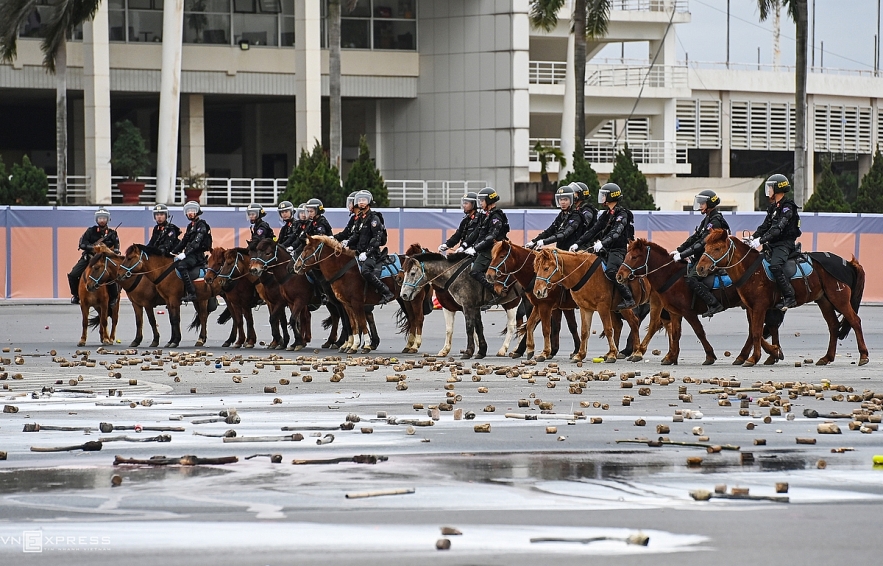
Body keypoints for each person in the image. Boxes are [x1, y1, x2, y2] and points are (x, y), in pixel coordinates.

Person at [575, 182, 636, 311]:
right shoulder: (606, 214)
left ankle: (628, 298)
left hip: (618, 250)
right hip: (606, 248)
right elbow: (593, 231)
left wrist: (602, 243)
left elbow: (616, 232)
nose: (601, 197)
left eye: (604, 195)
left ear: (611, 197)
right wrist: (577, 243)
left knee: (611, 271)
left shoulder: (622, 214)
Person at [671, 189, 730, 317]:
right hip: (703, 256)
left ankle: (714, 304)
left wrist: (683, 255)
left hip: (712, 258)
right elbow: (695, 237)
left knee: (692, 279)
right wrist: (680, 249)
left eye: (702, 203)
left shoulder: (715, 221)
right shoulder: (707, 219)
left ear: (709, 204)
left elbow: (702, 243)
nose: (700, 206)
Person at [747, 173, 802, 310]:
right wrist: (752, 238)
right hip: (772, 244)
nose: (768, 191)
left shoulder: (787, 207)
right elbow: (765, 226)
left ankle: (790, 297)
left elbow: (777, 229)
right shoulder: (773, 207)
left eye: (770, 188)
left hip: (785, 244)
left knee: (775, 266)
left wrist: (760, 241)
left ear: (777, 189)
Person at [345, 190, 395, 304]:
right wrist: (347, 242)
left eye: (364, 200)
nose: (361, 203)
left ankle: (386, 291)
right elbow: (356, 235)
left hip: (372, 253)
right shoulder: (361, 218)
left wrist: (367, 253)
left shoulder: (374, 218)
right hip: (359, 252)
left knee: (366, 271)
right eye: (360, 200)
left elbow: (377, 239)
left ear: (369, 202)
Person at [68, 208, 120, 305]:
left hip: (105, 260)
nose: (102, 220)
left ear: (108, 219)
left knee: (113, 276)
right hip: (90, 258)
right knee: (73, 274)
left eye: (104, 218)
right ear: (96, 219)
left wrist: (109, 251)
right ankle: (76, 295)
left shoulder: (113, 233)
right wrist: (94, 248)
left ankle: (113, 298)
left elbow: (117, 248)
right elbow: (82, 244)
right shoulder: (90, 231)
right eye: (100, 218)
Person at [465, 187, 509, 300]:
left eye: (482, 200)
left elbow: (491, 237)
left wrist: (475, 248)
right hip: (484, 249)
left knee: (474, 271)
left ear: (489, 201)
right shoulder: (487, 215)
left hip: (493, 250)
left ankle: (495, 292)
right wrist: (464, 245)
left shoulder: (496, 217)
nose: (480, 203)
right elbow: (477, 233)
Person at [172, 201, 212, 303]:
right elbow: (184, 241)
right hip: (190, 253)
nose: (190, 213)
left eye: (192, 211)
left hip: (197, 255)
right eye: (188, 211)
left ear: (197, 212)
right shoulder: (190, 226)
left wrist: (185, 253)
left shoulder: (201, 225)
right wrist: (173, 252)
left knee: (182, 266)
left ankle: (191, 293)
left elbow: (197, 242)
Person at [525, 184, 584, 251]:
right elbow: (549, 231)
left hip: (574, 253)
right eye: (561, 200)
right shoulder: (561, 215)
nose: (563, 202)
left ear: (572, 200)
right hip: (561, 252)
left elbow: (563, 234)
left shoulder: (576, 216)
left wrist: (544, 242)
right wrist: (533, 241)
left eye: (565, 199)